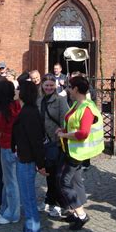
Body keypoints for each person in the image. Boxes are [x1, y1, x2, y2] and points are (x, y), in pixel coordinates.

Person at [56, 76, 104, 230]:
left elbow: (83, 133)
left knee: (63, 182)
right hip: (73, 150)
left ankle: (82, 215)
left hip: (77, 152)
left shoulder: (87, 108)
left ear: (76, 89)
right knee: (75, 180)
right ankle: (75, 211)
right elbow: (73, 124)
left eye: (70, 87)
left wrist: (64, 135)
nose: (68, 90)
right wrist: (63, 130)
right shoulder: (78, 104)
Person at [10, 81, 48, 232]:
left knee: (29, 201)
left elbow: (36, 141)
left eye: (19, 88)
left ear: (24, 92)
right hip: (23, 159)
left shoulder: (30, 113)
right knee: (27, 201)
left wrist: (41, 164)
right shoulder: (26, 111)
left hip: (27, 161)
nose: (16, 90)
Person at [36, 73, 69, 217]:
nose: (49, 87)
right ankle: (49, 200)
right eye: (46, 85)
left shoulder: (60, 100)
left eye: (51, 85)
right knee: (49, 173)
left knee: (56, 174)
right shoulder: (39, 100)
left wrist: (62, 131)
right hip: (44, 142)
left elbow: (65, 119)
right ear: (42, 86)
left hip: (56, 142)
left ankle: (59, 204)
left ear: (55, 86)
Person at [0, 80, 22, 225]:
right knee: (8, 181)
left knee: (10, 182)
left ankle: (13, 214)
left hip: (6, 146)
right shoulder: (16, 105)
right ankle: (5, 209)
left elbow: (0, 133)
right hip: (14, 146)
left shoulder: (4, 110)